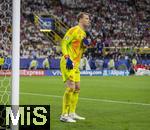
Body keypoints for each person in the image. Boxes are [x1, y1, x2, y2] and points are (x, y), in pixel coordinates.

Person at [60, 12, 91, 123]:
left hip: (76, 64)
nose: (89, 20)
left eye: (89, 18)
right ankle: (64, 115)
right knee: (71, 87)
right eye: (86, 18)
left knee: (77, 88)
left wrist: (85, 46)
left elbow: (80, 50)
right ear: (80, 19)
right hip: (68, 62)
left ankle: (72, 113)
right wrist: (67, 57)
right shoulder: (73, 30)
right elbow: (63, 43)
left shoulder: (83, 33)